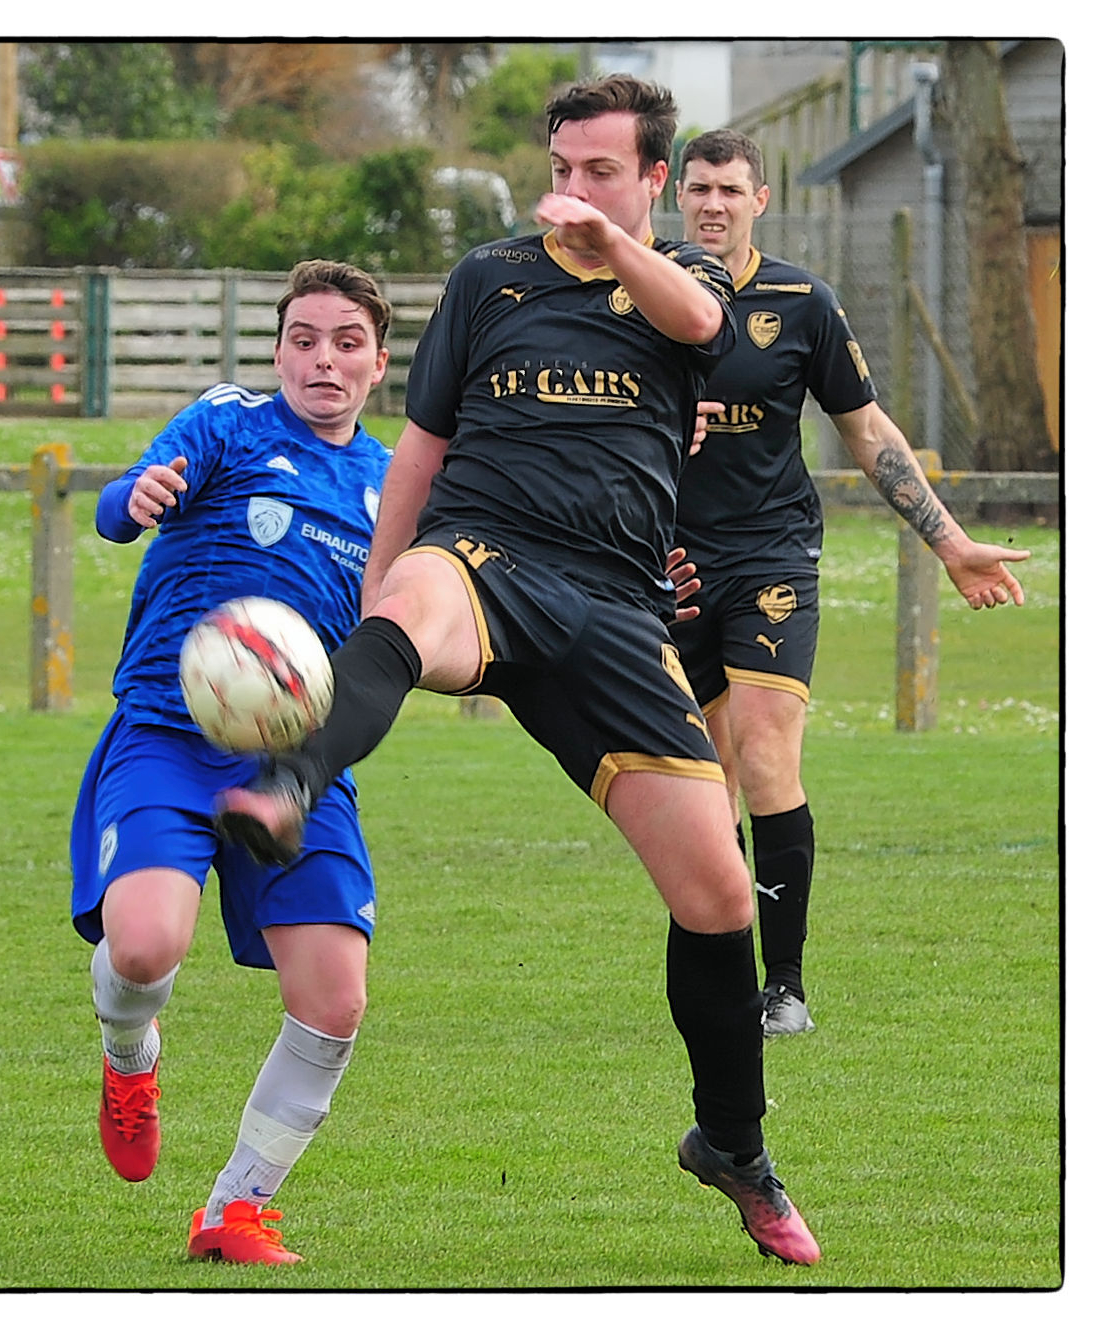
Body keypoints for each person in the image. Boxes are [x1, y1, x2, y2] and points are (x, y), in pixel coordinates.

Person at [214, 75, 822, 1265]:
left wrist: (610, 246)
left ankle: (732, 1146)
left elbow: (698, 331)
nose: (573, 191)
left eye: (602, 171)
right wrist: (377, 582)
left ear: (654, 180)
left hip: (613, 609)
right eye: (561, 167)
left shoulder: (686, 281)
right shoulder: (489, 278)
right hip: (485, 550)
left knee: (714, 894)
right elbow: (424, 449)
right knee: (415, 600)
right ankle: (288, 785)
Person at [69, 260, 394, 1265]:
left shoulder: (393, 482)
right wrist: (140, 493)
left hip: (296, 767)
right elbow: (115, 510)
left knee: (335, 995)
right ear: (276, 350)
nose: (322, 360)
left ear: (378, 362)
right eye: (303, 338)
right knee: (143, 947)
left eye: (346, 342)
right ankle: (131, 1055)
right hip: (169, 734)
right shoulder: (226, 422)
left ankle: (234, 1208)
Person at [671, 130, 1030, 1037]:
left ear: (761, 197)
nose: (712, 204)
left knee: (761, 754)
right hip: (664, 565)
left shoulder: (800, 302)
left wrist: (948, 543)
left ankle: (782, 984)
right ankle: (719, 973)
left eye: (730, 189)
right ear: (677, 194)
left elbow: (867, 432)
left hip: (770, 558)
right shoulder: (638, 300)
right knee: (699, 776)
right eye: (698, 188)